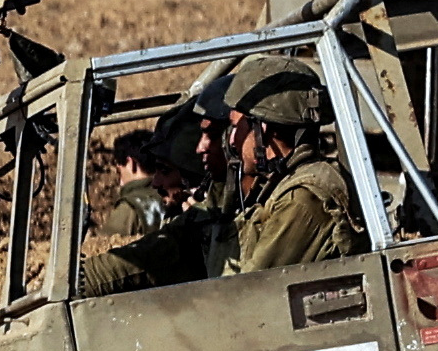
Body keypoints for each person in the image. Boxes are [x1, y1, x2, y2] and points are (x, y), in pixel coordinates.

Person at [219, 52, 364, 274]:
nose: (231, 139)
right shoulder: (283, 185)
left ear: (262, 130)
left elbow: (251, 289)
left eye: (236, 127)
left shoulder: (302, 199)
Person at [71, 114, 222, 298]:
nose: (156, 182)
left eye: (165, 171)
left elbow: (143, 259)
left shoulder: (133, 209)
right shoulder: (180, 211)